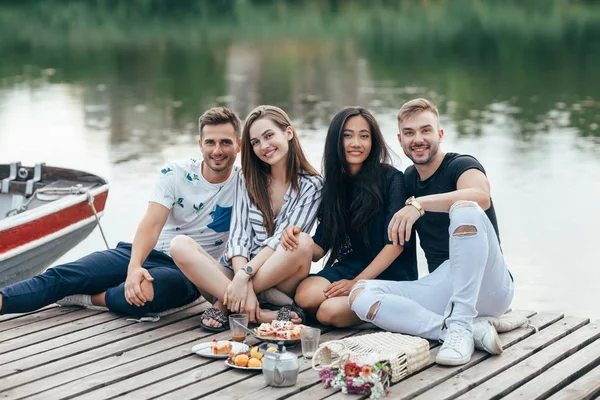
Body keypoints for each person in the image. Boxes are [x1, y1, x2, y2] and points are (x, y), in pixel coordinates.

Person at [0, 107, 242, 318]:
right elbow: (151, 224)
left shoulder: (246, 184)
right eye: (210, 142)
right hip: (146, 253)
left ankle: (90, 298)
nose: (217, 150)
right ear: (200, 144)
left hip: (189, 273)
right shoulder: (175, 173)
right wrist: (134, 266)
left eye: (225, 142)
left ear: (238, 145)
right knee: (67, 274)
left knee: (147, 295)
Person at [348, 98, 514, 366]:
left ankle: (461, 324)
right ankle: (454, 329)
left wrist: (419, 204)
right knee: (360, 294)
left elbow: (481, 196)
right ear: (400, 140)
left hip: (490, 285)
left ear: (439, 134)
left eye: (426, 130)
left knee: (465, 209)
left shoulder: (460, 165)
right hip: (445, 286)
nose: (418, 139)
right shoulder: (408, 179)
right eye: (410, 133)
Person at [170, 105, 323, 331]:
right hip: (236, 276)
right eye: (255, 142)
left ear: (288, 133)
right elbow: (238, 238)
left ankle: (225, 305)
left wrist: (244, 278)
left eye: (269, 136)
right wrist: (241, 278)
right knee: (179, 245)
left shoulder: (312, 185)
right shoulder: (247, 178)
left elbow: (279, 242)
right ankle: (259, 313)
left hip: (280, 281)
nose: (264, 146)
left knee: (301, 242)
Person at [280, 107, 418, 328]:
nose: (356, 143)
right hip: (350, 267)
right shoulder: (335, 185)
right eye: (348, 135)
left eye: (364, 136)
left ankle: (384, 307)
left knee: (327, 313)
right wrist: (296, 237)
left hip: (390, 273)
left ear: (373, 142)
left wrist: (356, 283)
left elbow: (396, 245)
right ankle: (364, 307)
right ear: (336, 140)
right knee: (305, 296)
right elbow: (320, 248)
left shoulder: (392, 179)